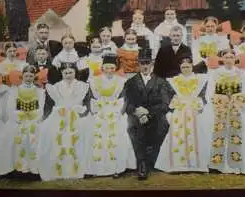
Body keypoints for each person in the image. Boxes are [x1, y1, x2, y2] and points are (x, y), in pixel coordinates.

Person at [123, 48, 174, 180]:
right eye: (142, 63)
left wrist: (149, 113)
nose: (145, 66)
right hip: (137, 116)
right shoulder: (131, 82)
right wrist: (138, 112)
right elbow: (128, 104)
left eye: (147, 63)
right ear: (138, 64)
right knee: (133, 127)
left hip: (156, 115)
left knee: (163, 125)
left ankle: (153, 160)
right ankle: (142, 164)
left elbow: (165, 104)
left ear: (152, 64)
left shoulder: (161, 82)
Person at [84, 54, 136, 177]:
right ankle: (96, 168)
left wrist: (120, 112)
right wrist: (95, 110)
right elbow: (90, 98)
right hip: (99, 110)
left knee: (118, 132)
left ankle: (116, 167)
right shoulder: (93, 81)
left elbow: (125, 98)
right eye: (107, 68)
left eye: (112, 68)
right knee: (95, 133)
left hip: (115, 109)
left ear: (115, 69)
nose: (109, 71)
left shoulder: (121, 81)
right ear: (102, 68)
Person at [154, 56, 209, 173]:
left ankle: (196, 165)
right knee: (178, 134)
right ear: (180, 67)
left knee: (195, 134)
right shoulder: (173, 81)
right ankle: (178, 164)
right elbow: (168, 96)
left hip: (194, 110)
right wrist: (172, 108)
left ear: (192, 66)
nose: (186, 69)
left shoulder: (200, 79)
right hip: (180, 110)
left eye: (188, 66)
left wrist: (199, 103)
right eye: (183, 67)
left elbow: (203, 96)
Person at [37, 63, 91, 181]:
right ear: (61, 73)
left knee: (80, 134)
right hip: (59, 115)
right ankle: (59, 169)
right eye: (65, 73)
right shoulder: (55, 87)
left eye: (71, 72)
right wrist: (44, 118)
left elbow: (87, 103)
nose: (68, 75)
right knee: (54, 134)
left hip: (77, 114)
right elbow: (48, 105)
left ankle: (81, 168)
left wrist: (84, 113)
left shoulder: (83, 86)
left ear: (75, 72)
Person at [206, 49, 245, 174]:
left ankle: (235, 163)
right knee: (219, 131)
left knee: (236, 132)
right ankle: (217, 164)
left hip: (236, 107)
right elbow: (210, 91)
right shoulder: (215, 73)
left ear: (235, 59)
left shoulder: (241, 73)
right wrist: (217, 102)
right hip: (220, 107)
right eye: (226, 57)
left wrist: (238, 102)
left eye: (231, 57)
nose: (229, 59)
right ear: (222, 59)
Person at [0, 66, 46, 177]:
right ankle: (18, 168)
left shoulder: (40, 91)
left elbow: (41, 107)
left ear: (34, 77)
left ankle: (33, 168)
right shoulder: (15, 90)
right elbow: (11, 107)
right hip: (18, 119)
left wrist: (34, 117)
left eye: (31, 76)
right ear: (22, 76)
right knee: (15, 138)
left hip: (34, 119)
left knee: (34, 138)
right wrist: (19, 116)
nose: (28, 78)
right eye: (26, 76)